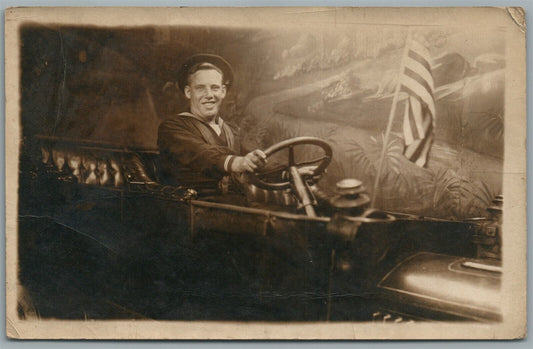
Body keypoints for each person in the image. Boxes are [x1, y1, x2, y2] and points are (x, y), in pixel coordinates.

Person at [157, 54, 267, 193]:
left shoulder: (232, 130)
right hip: (194, 207)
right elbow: (202, 154)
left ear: (223, 92)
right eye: (200, 88)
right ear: (188, 92)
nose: (209, 94)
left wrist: (287, 169)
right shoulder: (172, 128)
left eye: (215, 88)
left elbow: (257, 156)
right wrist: (238, 162)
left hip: (237, 205)